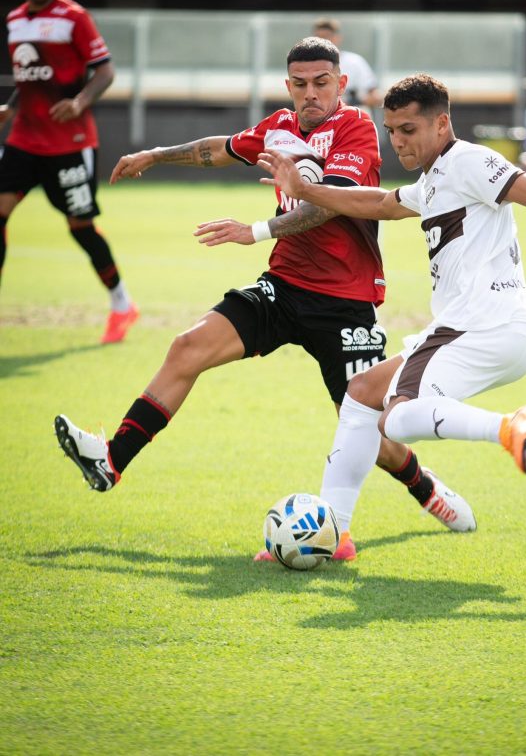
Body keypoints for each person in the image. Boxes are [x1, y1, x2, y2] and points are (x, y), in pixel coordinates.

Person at [53, 39, 475, 564]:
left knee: (375, 430)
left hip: (344, 303)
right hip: (283, 287)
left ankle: (425, 489)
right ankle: (111, 462)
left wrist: (255, 230)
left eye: (322, 82)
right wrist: (156, 155)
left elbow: (327, 205)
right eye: (300, 83)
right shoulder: (279, 125)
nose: (311, 93)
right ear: (288, 86)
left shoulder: (356, 129)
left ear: (341, 84)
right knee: (187, 348)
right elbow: (222, 147)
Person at [255, 73, 526, 542]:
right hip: (487, 330)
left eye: (408, 130)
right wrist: (306, 189)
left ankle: (508, 427)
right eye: (391, 131)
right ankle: (338, 534)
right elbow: (377, 201)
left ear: (441, 124)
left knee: (395, 417)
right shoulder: (434, 180)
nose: (398, 141)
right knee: (361, 394)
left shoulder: (469, 162)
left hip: (482, 326)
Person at [0, 0, 138, 344]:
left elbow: (105, 71)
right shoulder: (14, 21)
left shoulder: (74, 17)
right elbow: (32, 80)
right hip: (25, 137)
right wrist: (11, 106)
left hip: (70, 143)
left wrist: (79, 101)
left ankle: (121, 303)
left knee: (80, 227)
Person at [312, 17, 382, 112]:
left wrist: (353, 100)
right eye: (318, 38)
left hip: (355, 120)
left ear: (337, 38)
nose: (322, 42)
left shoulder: (355, 62)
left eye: (327, 37)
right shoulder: (310, 65)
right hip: (326, 122)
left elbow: (375, 97)